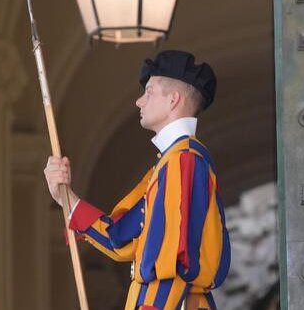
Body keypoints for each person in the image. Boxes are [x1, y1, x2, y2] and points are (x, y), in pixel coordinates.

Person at [44, 50, 230, 310]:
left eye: (149, 92)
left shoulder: (182, 159)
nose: (139, 102)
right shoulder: (170, 162)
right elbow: (120, 238)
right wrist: (65, 197)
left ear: (173, 100)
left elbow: (170, 262)